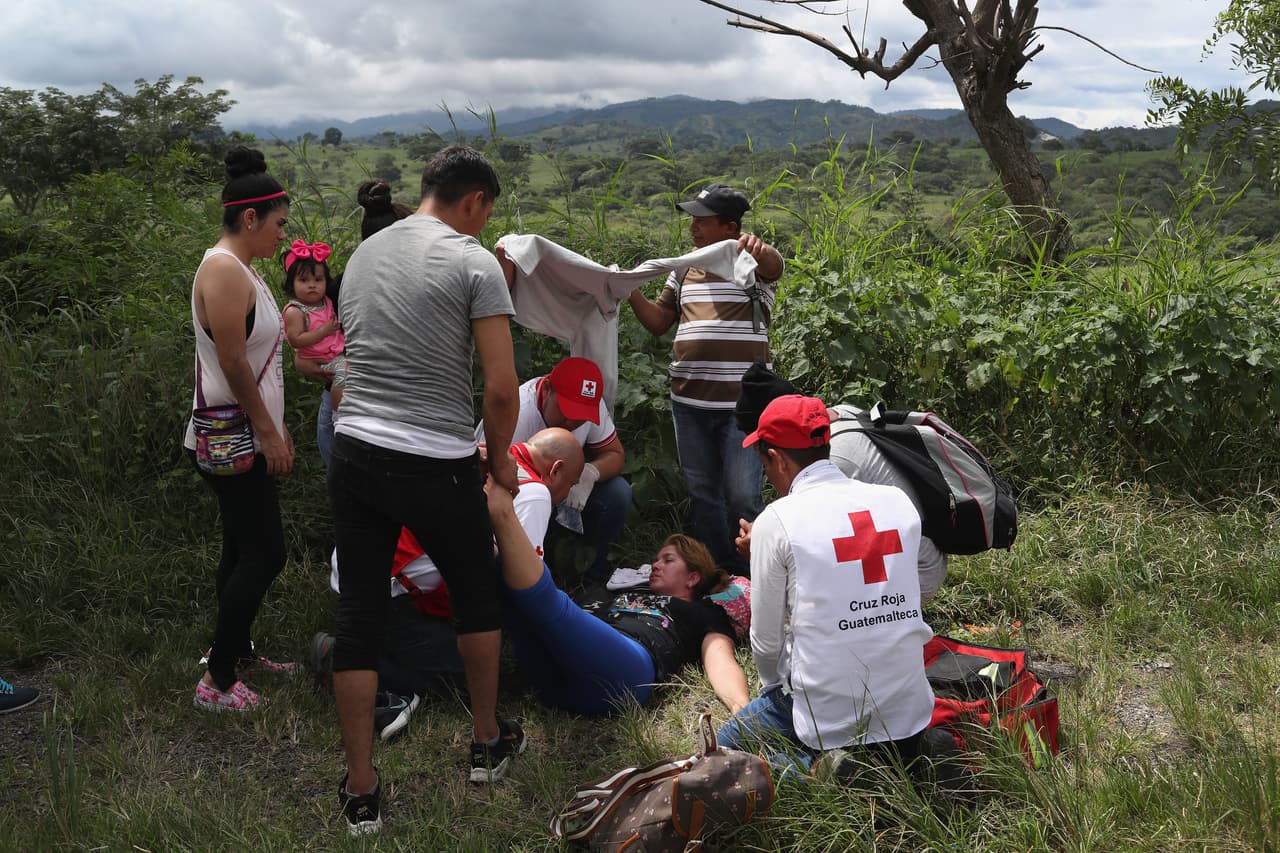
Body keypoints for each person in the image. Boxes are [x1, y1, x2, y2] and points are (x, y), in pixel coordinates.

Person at [327, 144, 521, 834]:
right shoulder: (473, 261)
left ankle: (360, 789)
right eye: (484, 214)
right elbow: (500, 388)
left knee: (358, 618)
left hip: (354, 452)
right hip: (436, 461)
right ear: (475, 202)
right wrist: (499, 464)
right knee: (476, 598)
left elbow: (345, 368)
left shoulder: (363, 256)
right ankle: (487, 743)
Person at [314, 428, 585, 742]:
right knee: (479, 671)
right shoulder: (534, 493)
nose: (567, 494)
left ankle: (360, 644)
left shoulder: (485, 453)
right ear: (556, 470)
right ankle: (342, 658)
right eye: (572, 484)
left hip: (357, 575)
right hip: (389, 593)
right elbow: (524, 585)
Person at [716, 395, 935, 778]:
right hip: (909, 706)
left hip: (827, 711)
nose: (766, 474)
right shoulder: (895, 501)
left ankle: (817, 770)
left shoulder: (777, 519)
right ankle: (906, 757)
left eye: (764, 463)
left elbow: (765, 644)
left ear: (777, 458)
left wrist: (775, 693)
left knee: (727, 745)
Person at [486, 475, 750, 717]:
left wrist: (741, 707)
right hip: (560, 681)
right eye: (656, 559)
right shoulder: (619, 592)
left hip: (626, 675)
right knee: (509, 590)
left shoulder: (702, 613)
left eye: (668, 560)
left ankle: (501, 512)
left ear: (693, 577)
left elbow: (720, 660)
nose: (655, 565)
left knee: (547, 601)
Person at [184, 146, 295, 713]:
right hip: (236, 437)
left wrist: (276, 427)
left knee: (239, 548)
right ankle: (218, 681)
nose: (283, 234)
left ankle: (234, 648)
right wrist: (268, 433)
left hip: (249, 432)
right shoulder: (225, 271)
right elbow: (232, 362)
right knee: (265, 554)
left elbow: (263, 359)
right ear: (250, 218)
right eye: (278, 223)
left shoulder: (242, 268)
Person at [626, 183, 784, 573]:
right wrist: (629, 291)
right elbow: (660, 322)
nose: (693, 227)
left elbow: (775, 265)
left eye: (702, 220)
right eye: (692, 220)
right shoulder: (684, 269)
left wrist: (759, 249)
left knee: (743, 494)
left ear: (730, 227)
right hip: (689, 402)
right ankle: (716, 571)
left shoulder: (748, 265)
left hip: (742, 406)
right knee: (702, 493)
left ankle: (757, 571)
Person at [733, 362, 948, 604]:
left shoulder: (834, 459)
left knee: (796, 581)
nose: (757, 451)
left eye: (761, 442)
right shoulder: (840, 415)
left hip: (912, 574)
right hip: (915, 557)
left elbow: (807, 543)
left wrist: (764, 543)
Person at [478, 356, 630, 582]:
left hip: (560, 484)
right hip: (514, 492)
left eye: (581, 416)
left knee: (617, 493)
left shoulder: (589, 403)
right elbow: (482, 474)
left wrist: (588, 474)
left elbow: (615, 454)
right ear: (547, 389)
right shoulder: (516, 411)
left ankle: (589, 581)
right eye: (567, 410)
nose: (572, 422)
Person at [294, 181, 413, 466]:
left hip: (342, 401)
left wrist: (302, 359)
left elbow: (314, 331)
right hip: (399, 409)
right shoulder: (419, 284)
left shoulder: (343, 282)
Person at [282, 240, 347, 429]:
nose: (312, 285)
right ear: (291, 283)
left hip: (334, 351)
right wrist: (322, 332)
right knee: (343, 374)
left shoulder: (326, 301)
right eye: (304, 280)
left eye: (318, 280)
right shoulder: (296, 311)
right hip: (320, 357)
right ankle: (338, 416)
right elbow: (296, 339)